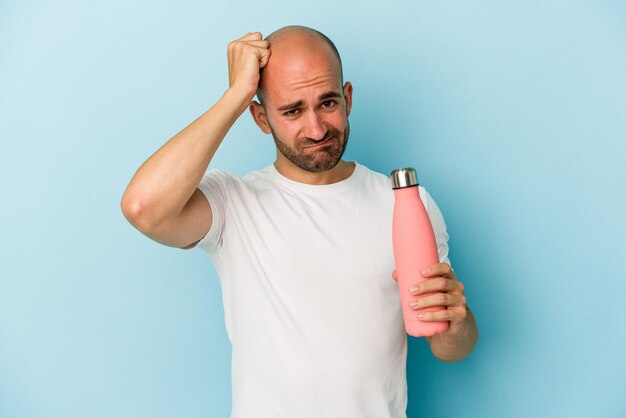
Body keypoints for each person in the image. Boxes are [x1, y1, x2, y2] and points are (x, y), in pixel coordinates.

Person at [121, 25, 478, 418]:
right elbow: (143, 207)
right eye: (292, 111)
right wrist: (234, 97)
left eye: (327, 103)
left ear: (348, 98)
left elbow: (449, 347)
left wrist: (457, 325)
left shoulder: (406, 204)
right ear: (260, 117)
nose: (317, 129)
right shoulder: (232, 204)